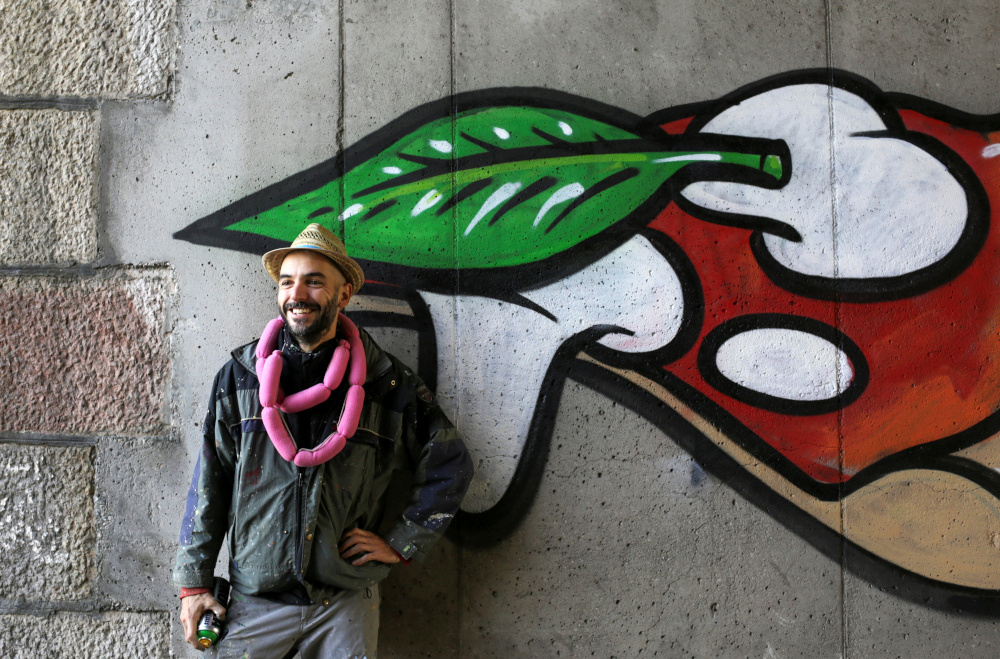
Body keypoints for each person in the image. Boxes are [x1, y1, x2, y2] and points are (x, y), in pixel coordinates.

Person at [173, 223, 473, 657]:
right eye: (288, 281)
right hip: (254, 599)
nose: (298, 294)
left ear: (344, 294)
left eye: (315, 282)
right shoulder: (239, 378)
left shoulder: (386, 382)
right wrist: (194, 584)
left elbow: (451, 461)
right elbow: (210, 481)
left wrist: (402, 542)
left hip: (345, 601)